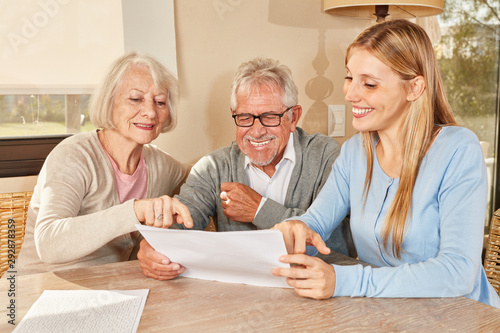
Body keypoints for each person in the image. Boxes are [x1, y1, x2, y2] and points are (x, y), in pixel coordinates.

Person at [271, 19, 500, 308]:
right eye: (349, 78)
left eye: (369, 83)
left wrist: (346, 281)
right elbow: (315, 222)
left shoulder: (458, 150)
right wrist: (296, 227)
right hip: (386, 313)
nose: (351, 94)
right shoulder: (355, 151)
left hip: (465, 316)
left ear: (414, 87)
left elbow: (458, 272)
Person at [138, 57, 356, 280]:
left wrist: (259, 210)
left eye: (270, 117)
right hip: (241, 296)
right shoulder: (214, 167)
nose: (256, 131)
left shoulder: (326, 155)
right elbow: (180, 225)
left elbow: (338, 244)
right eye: (245, 117)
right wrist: (154, 247)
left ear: (293, 117)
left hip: (317, 293)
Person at [17, 51, 191, 275]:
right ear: (109, 103)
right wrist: (135, 211)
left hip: (111, 292)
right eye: (136, 99)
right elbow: (49, 244)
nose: (150, 112)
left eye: (160, 102)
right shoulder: (74, 156)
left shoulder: (161, 166)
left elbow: (202, 178)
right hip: (40, 292)